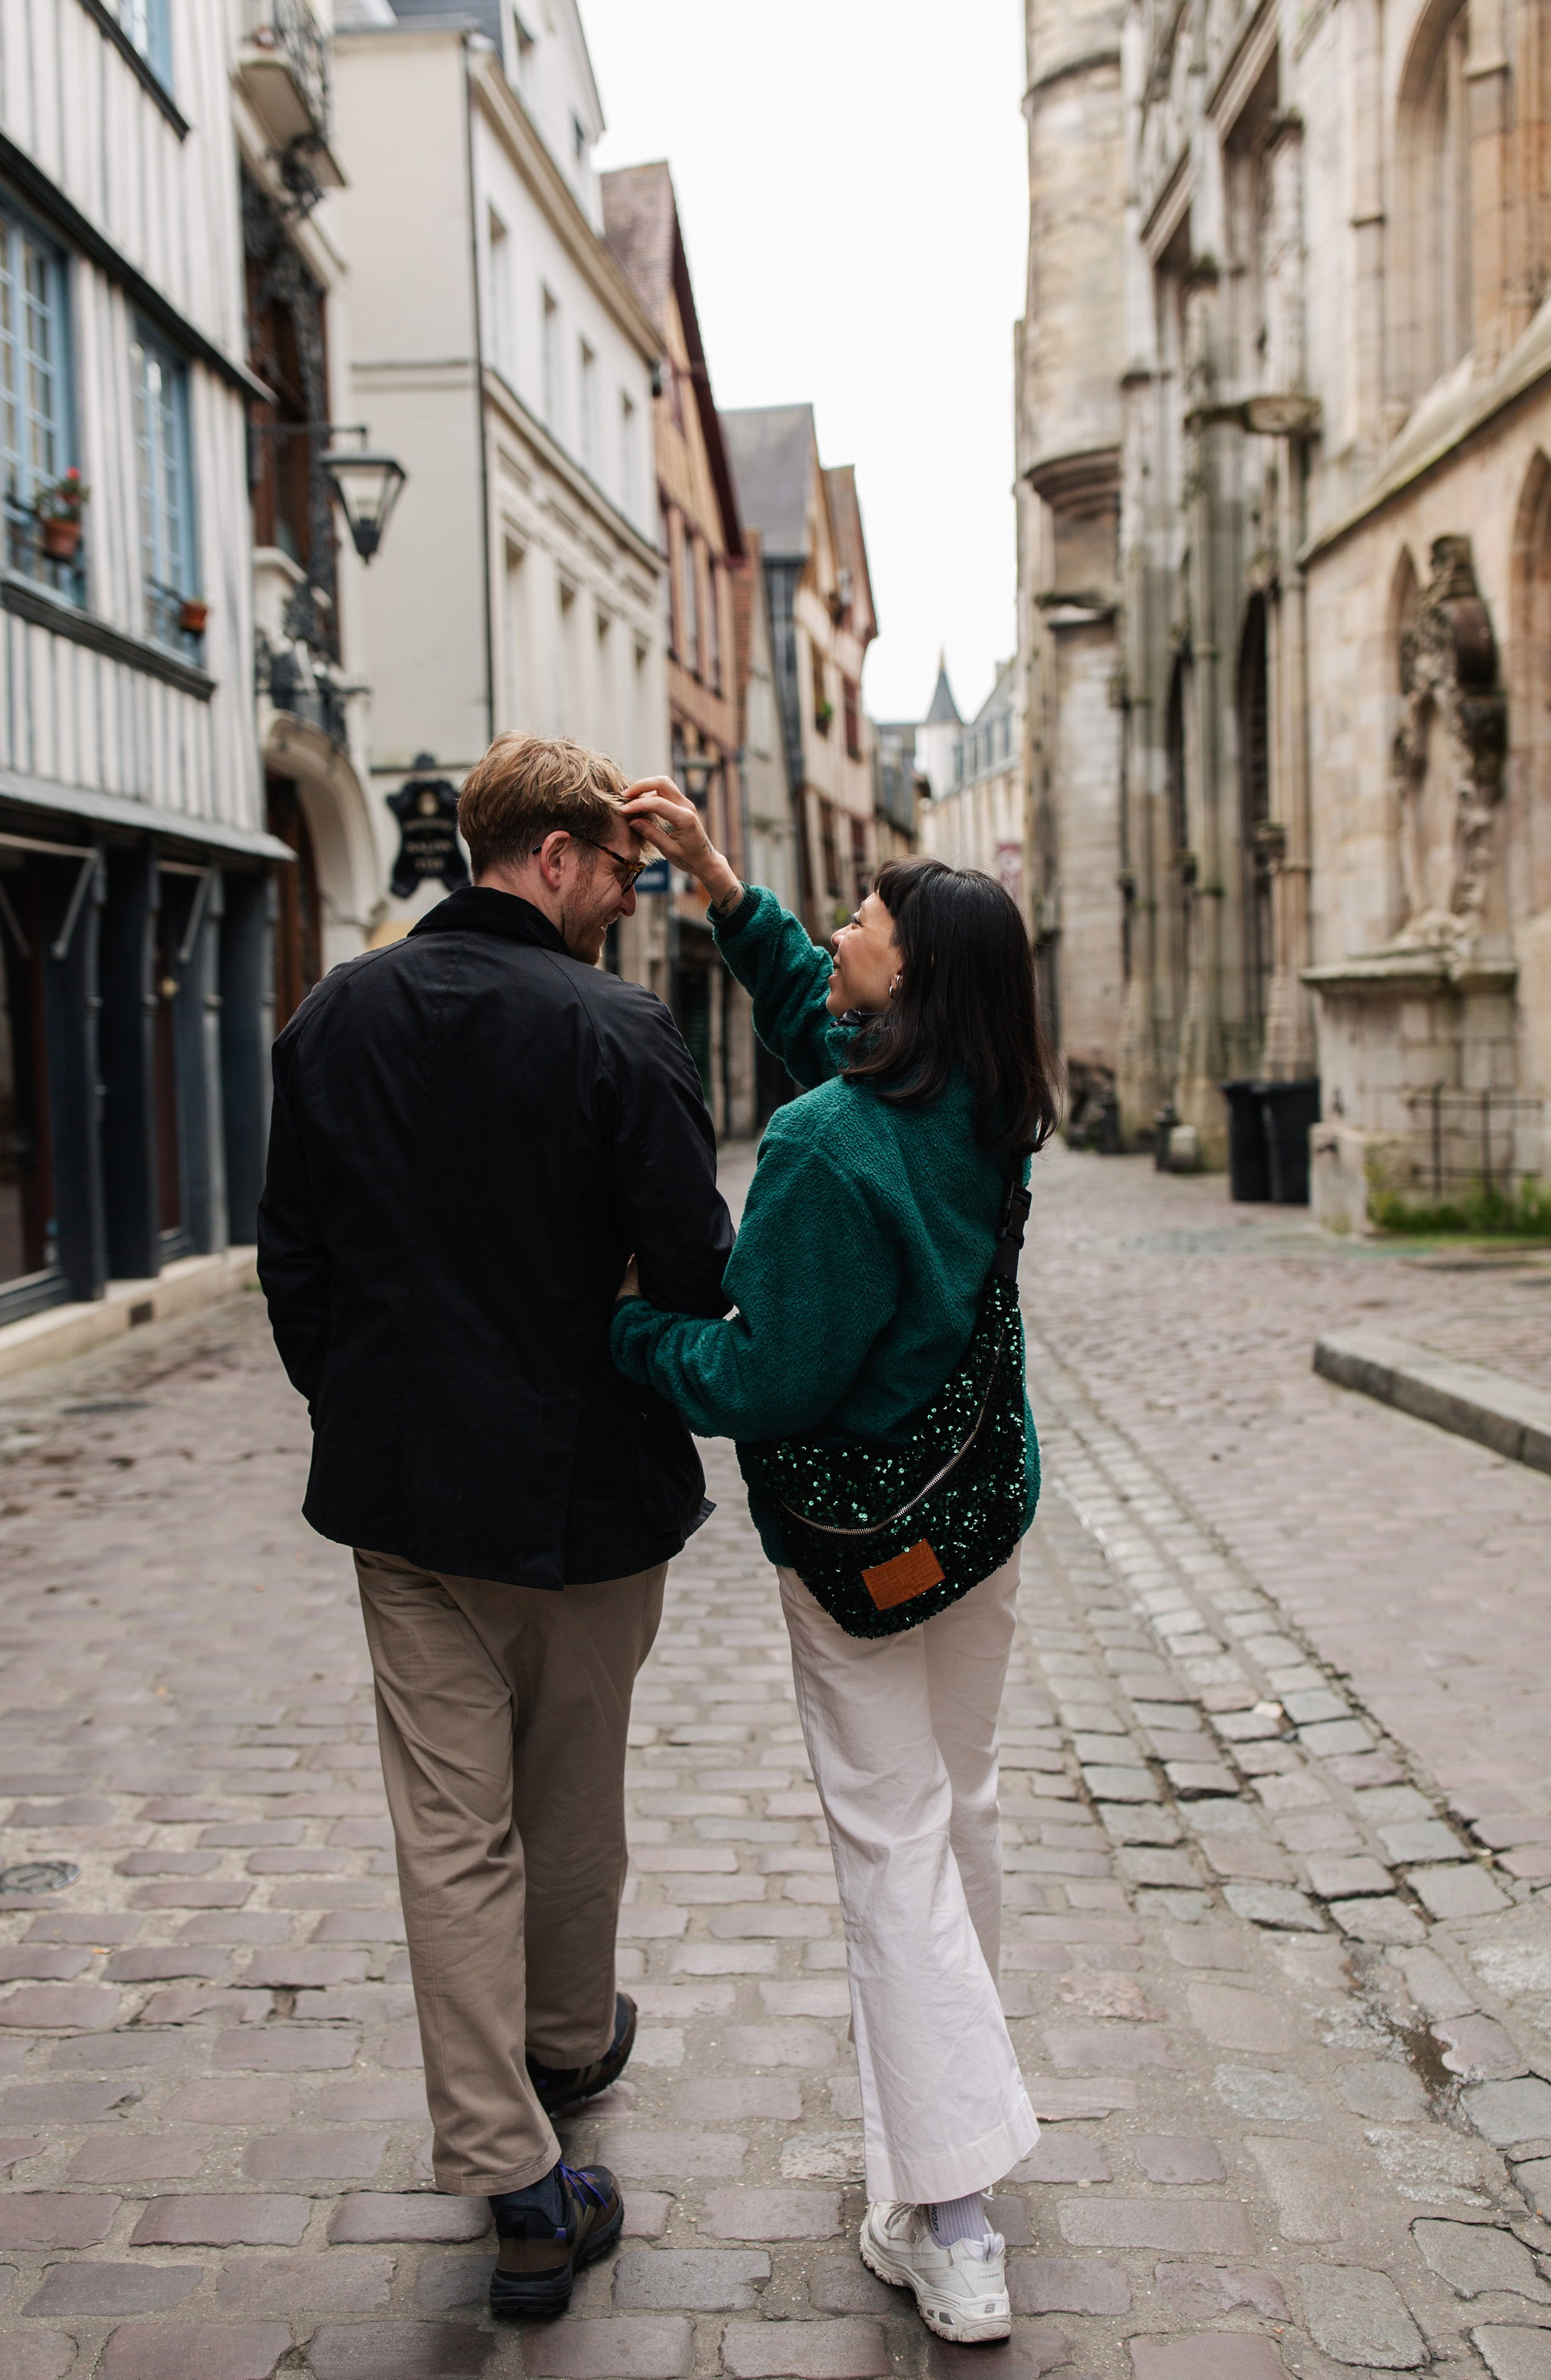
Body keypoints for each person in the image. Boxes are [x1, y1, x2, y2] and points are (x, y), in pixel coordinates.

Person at [257, 734, 732, 2317]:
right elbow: (691, 1269)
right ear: (549, 855)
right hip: (589, 1496)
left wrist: (362, 1402)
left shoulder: (335, 1012)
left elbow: (296, 1261)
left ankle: (511, 2169)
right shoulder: (619, 1028)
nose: (621, 887)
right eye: (613, 861)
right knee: (571, 1794)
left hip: (404, 1502)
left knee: (451, 1832)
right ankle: (562, 2040)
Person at [610, 775, 1058, 2347]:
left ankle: (949, 2209)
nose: (845, 924)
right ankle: (973, 2088)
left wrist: (631, 1328)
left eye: (866, 914)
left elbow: (765, 1379)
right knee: (965, 1799)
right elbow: (823, 1017)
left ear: (914, 977)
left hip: (860, 1550)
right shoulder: (981, 1107)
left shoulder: (818, 1142)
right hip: (976, 1515)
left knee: (889, 1843)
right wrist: (725, 886)